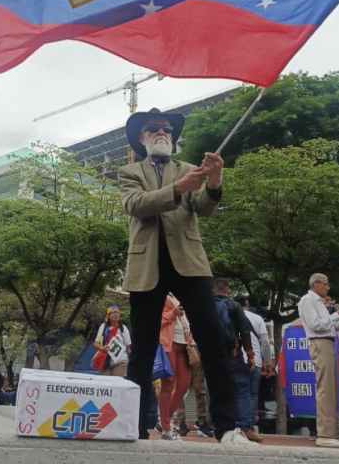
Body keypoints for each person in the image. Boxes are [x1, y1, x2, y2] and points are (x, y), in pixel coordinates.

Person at [118, 107, 243, 445]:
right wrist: (178, 189)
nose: (162, 133)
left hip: (190, 263)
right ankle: (135, 426)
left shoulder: (189, 169)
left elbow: (203, 207)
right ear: (142, 138)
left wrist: (214, 182)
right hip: (147, 267)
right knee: (142, 349)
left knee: (213, 341)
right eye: (154, 129)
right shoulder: (128, 171)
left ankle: (228, 427)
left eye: (167, 130)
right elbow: (136, 205)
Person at [297, 273, 339, 448]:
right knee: (326, 389)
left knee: (332, 389)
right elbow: (316, 325)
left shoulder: (318, 302)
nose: (328, 287)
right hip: (320, 343)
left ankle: (333, 432)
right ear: (317, 284)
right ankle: (326, 434)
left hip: (328, 342)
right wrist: (337, 315)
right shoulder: (307, 300)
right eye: (326, 284)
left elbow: (332, 326)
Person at [212, 279, 256, 443]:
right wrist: (250, 355)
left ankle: (221, 427)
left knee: (217, 390)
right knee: (242, 389)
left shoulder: (206, 306)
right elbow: (245, 331)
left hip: (212, 356)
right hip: (233, 353)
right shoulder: (234, 306)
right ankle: (244, 427)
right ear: (227, 290)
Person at [157, 294, 193, 440]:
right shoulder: (163, 297)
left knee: (184, 386)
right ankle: (166, 428)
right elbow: (155, 321)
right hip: (169, 345)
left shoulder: (184, 296)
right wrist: (173, 313)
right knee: (168, 384)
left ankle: (163, 420)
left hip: (185, 347)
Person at [238, 295, 273, 436]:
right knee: (252, 394)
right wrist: (268, 361)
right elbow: (265, 342)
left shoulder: (230, 316)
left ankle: (238, 425)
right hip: (256, 361)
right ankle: (249, 426)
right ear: (247, 304)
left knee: (239, 394)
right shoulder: (257, 318)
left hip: (237, 360)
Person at [92, 306, 132, 377]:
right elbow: (95, 343)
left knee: (117, 384)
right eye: (113, 312)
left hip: (121, 362)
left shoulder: (123, 328)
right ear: (108, 315)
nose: (115, 314)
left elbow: (128, 347)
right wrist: (102, 348)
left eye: (117, 312)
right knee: (105, 385)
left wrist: (131, 360)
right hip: (105, 362)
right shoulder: (103, 327)